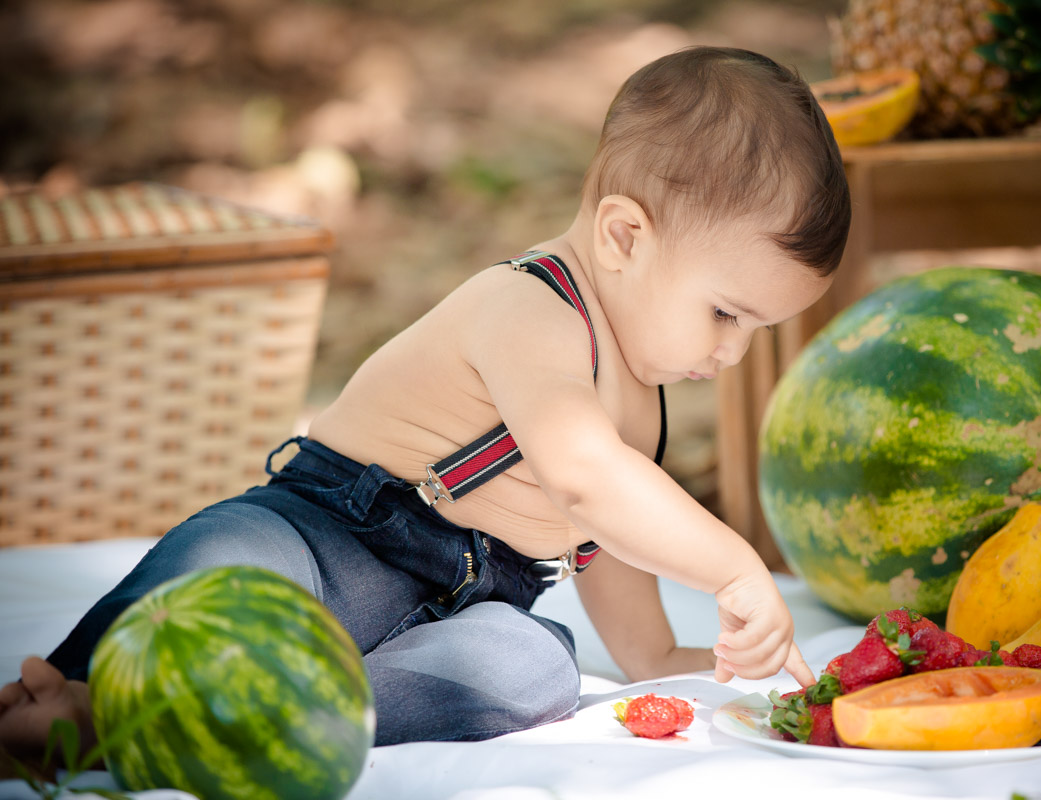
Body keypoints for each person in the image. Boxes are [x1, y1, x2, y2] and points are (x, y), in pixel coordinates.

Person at [0, 45, 850, 758]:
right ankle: (77, 696)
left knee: (536, 667)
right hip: (327, 538)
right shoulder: (532, 308)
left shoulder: (645, 409)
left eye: (757, 329)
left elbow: (634, 617)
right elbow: (587, 479)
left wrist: (717, 666)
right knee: (227, 560)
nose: (733, 351)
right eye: (725, 314)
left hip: (455, 614)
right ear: (623, 236)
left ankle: (279, 712)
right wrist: (736, 568)